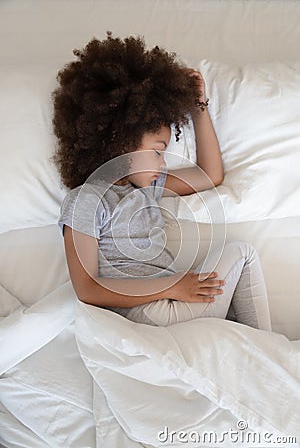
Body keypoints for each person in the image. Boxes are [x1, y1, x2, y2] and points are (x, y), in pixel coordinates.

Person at [52, 32, 272, 331]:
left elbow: (210, 175)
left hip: (171, 303)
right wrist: (172, 287)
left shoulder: (146, 189)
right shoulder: (86, 199)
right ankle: (266, 346)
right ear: (121, 144)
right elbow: (88, 289)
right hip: (149, 310)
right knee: (242, 254)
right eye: (157, 151)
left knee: (233, 315)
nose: (163, 163)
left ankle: (257, 346)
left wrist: (199, 110)